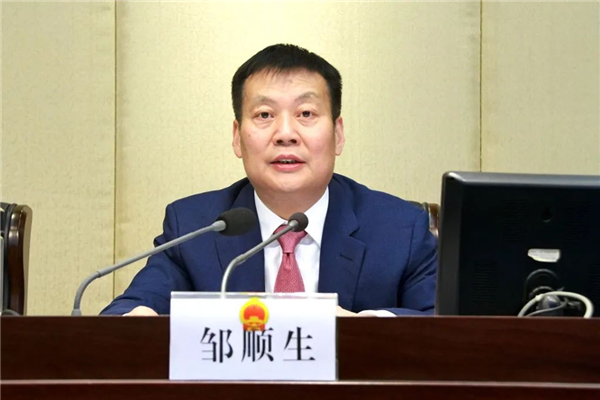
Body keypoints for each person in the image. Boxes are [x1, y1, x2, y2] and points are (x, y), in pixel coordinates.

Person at [101, 44, 437, 317]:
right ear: (237, 137)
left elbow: (444, 326)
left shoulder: (401, 229)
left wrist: (364, 328)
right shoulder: (195, 227)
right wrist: (136, 323)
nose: (285, 133)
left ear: (338, 134)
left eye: (306, 114)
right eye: (264, 115)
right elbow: (129, 311)